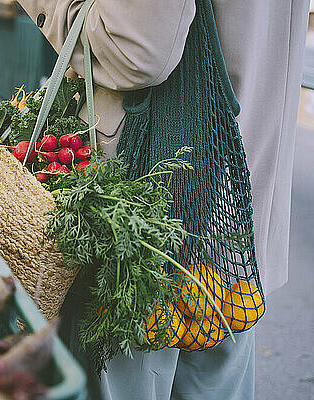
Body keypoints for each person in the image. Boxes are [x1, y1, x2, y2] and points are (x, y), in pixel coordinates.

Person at [15, 0, 309, 399]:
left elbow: (136, 49)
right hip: (240, 189)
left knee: (129, 368)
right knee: (215, 370)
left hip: (152, 205)